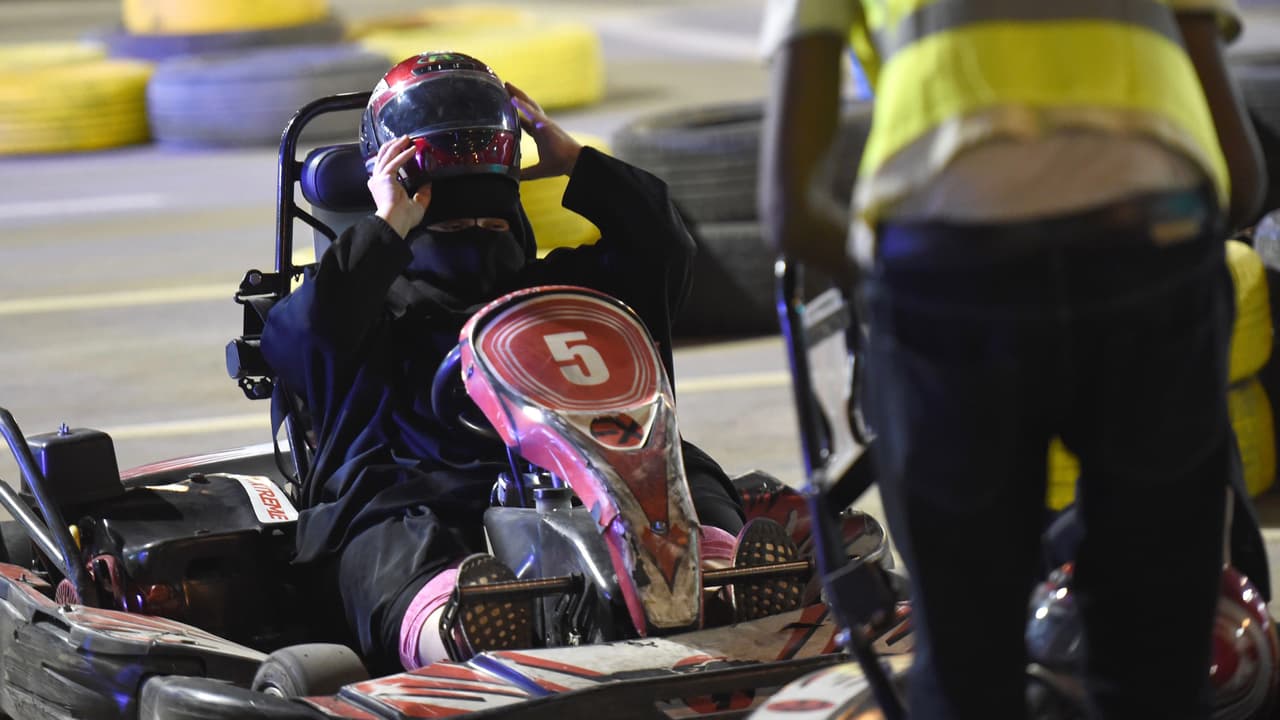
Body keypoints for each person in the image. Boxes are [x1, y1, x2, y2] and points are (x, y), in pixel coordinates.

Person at [758, 1, 1265, 718]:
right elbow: (1240, 179)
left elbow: (790, 208)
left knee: (966, 661)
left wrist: (909, 293)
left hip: (952, 268)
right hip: (1152, 251)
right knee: (1157, 657)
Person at [261, 52, 754, 676]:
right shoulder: (369, 307)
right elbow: (299, 338)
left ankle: (725, 576)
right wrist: (386, 227)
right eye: (451, 221)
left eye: (490, 218)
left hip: (587, 475)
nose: (474, 233)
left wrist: (577, 165)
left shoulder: (554, 290)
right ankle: (464, 628)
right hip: (428, 490)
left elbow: (662, 250)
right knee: (388, 538)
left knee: (681, 468)